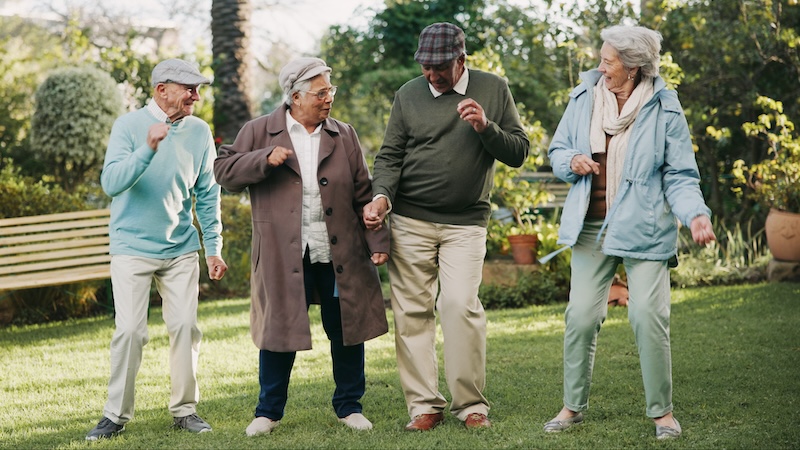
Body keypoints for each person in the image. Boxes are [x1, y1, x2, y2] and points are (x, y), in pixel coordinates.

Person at [542, 25, 716, 439]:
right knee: (581, 317)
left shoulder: (664, 106)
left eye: (609, 61)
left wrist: (695, 215)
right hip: (591, 224)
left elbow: (680, 174)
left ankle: (662, 413)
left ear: (634, 67)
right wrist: (573, 161)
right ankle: (571, 407)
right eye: (601, 58)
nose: (600, 67)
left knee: (646, 314)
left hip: (644, 225)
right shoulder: (585, 96)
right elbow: (558, 149)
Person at [363, 22, 530, 431]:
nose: (432, 76)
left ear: (461, 60)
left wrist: (484, 128)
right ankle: (424, 406)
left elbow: (519, 151)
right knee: (412, 313)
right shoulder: (408, 94)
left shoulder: (493, 88)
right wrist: (382, 195)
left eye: (440, 68)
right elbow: (390, 156)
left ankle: (471, 405)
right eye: (426, 68)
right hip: (411, 220)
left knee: (459, 306)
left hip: (466, 222)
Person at [213, 57, 390, 436]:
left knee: (345, 327)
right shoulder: (259, 130)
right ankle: (268, 411)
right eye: (321, 92)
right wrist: (263, 159)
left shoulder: (344, 134)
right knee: (279, 328)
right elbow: (224, 172)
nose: (329, 98)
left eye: (331, 90)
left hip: (336, 250)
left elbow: (363, 189)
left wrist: (376, 239)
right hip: (282, 252)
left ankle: (349, 406)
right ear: (295, 96)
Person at [86, 58, 228, 440]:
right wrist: (148, 147)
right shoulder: (128, 126)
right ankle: (115, 415)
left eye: (198, 89)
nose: (196, 96)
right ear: (162, 89)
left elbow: (207, 194)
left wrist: (212, 247)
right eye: (189, 88)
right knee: (130, 331)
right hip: (132, 247)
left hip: (179, 247)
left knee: (185, 326)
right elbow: (111, 183)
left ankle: (185, 410)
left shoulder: (199, 131)